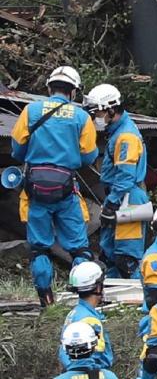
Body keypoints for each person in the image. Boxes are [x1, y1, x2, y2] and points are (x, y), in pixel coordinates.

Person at [10, 65, 97, 306]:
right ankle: (85, 297)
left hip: (35, 191)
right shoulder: (81, 117)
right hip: (66, 190)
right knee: (79, 248)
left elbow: (17, 150)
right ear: (73, 92)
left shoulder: (31, 110)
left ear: (49, 87)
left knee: (39, 248)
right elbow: (88, 156)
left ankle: (46, 300)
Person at [84, 83, 148, 280]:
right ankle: (113, 297)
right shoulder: (118, 132)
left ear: (111, 109)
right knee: (109, 253)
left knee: (126, 258)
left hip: (128, 198)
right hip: (119, 196)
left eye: (98, 112)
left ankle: (136, 299)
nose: (96, 118)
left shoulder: (126, 136)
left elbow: (125, 176)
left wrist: (112, 203)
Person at [59, 261, 113, 372]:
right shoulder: (90, 320)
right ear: (98, 288)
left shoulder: (75, 313)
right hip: (91, 376)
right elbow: (95, 356)